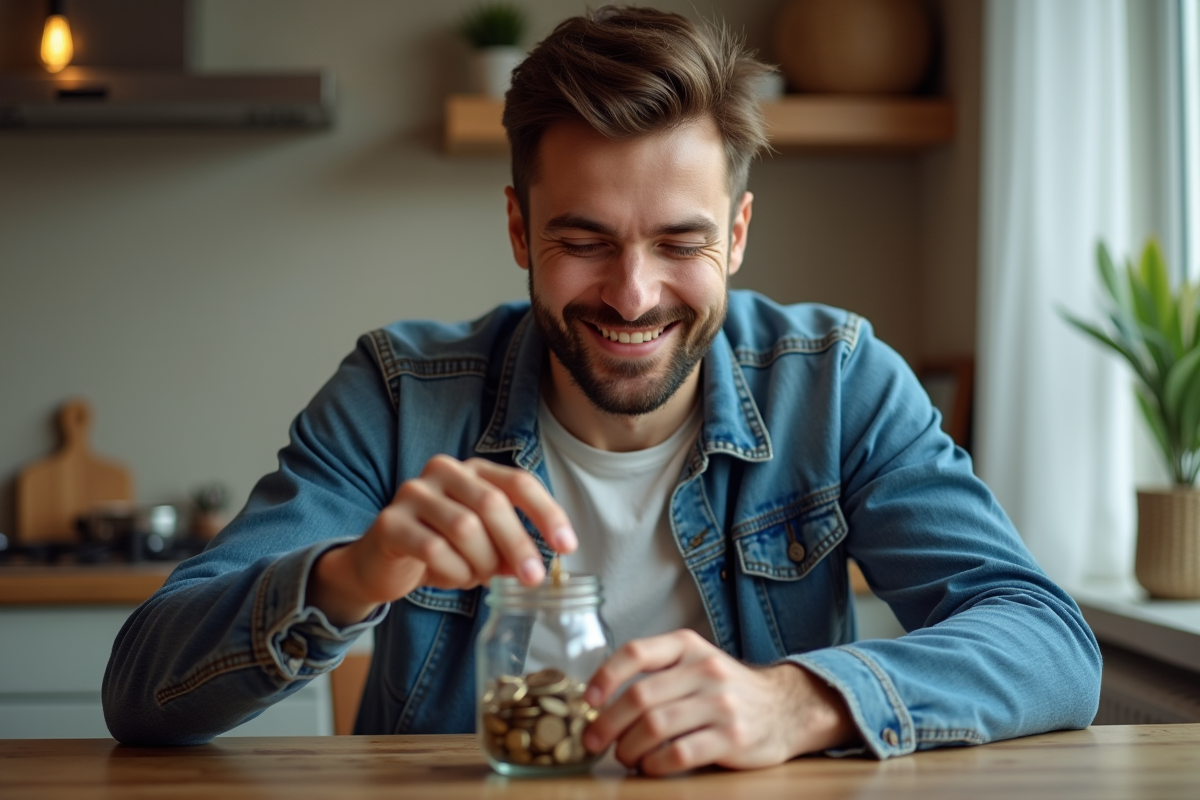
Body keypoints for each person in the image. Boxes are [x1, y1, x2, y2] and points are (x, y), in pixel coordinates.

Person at [102, 6, 1100, 775]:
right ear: (518, 229)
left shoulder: (837, 382)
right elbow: (142, 691)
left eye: (679, 243)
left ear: (737, 235)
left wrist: (797, 702)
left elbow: (1048, 641)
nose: (632, 294)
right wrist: (350, 573)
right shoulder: (397, 395)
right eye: (584, 241)